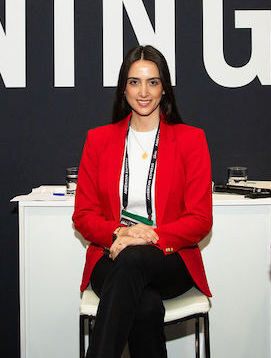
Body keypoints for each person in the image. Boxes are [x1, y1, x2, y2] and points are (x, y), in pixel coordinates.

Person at [72, 45, 212, 358]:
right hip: (111, 254)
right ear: (124, 89)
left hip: (170, 257)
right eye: (135, 82)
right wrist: (119, 233)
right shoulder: (98, 139)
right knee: (145, 305)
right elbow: (83, 215)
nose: (144, 91)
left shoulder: (192, 139)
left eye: (153, 82)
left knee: (134, 260)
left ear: (165, 89)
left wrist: (150, 236)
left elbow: (200, 219)